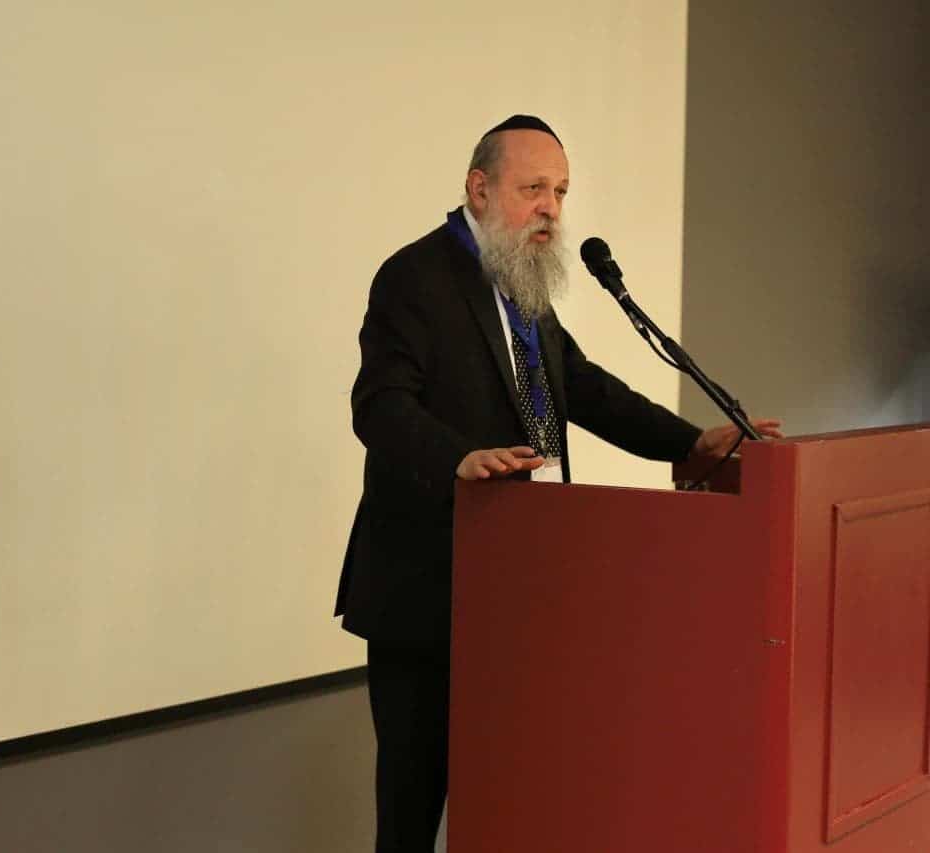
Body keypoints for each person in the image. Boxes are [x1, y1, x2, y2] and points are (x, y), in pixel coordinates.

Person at [334, 115, 782, 853]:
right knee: (411, 810)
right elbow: (379, 405)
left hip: (517, 585)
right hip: (426, 589)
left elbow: (584, 388)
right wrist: (458, 458)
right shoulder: (415, 277)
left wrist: (688, 441)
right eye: (533, 188)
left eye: (562, 192)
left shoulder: (521, 282)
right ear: (480, 189)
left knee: (505, 797)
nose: (551, 208)